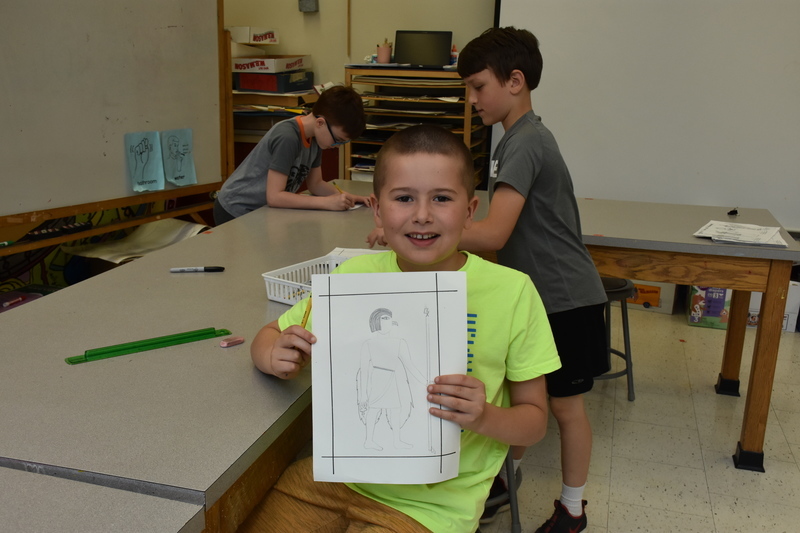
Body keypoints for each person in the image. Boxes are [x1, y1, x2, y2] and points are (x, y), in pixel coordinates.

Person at [245, 125, 561, 533]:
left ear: (469, 211)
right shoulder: (352, 277)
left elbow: (534, 421)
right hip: (336, 479)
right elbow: (269, 334)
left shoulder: (512, 292)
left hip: (433, 507)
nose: (422, 215)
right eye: (404, 198)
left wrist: (483, 416)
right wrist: (273, 354)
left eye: (442, 198)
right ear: (377, 210)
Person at [457, 27, 609, 533]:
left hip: (565, 299)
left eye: (478, 86)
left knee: (565, 409)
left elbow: (494, 232)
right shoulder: (517, 139)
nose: (472, 98)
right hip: (540, 298)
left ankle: (572, 510)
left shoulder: (525, 142)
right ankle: (506, 479)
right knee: (524, 396)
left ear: (515, 81)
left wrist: (422, 230)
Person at [213, 85, 370, 225]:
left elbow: (316, 184)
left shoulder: (315, 138)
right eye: (338, 140)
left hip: (260, 210)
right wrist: (327, 203)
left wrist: (350, 198)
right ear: (320, 123)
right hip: (235, 208)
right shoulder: (288, 137)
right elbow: (275, 197)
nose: (337, 146)